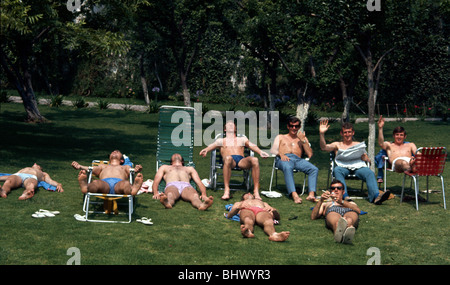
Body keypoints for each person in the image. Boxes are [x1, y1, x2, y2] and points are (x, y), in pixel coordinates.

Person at [319, 120, 390, 205]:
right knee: (337, 170)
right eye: (345, 132)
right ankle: (344, 196)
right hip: (343, 167)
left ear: (353, 133)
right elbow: (324, 147)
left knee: (369, 173)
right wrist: (321, 134)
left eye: (349, 132)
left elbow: (368, 160)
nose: (347, 134)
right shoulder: (337, 144)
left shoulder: (358, 144)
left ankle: (376, 197)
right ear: (342, 134)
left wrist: (366, 158)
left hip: (358, 167)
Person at [199, 120, 269, 200]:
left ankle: (256, 191)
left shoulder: (242, 139)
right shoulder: (221, 140)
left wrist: (260, 152)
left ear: (235, 129)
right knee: (228, 158)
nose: (231, 126)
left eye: (233, 125)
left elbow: (252, 145)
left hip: (241, 161)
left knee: (255, 160)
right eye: (229, 125)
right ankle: (227, 190)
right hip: (229, 161)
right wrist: (206, 150)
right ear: (225, 129)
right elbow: (212, 145)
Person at [270, 116, 319, 204]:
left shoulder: (302, 138)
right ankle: (294, 195)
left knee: (314, 169)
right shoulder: (280, 137)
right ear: (288, 126)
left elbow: (310, 154)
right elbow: (273, 150)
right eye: (291, 126)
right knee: (288, 167)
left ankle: (311, 194)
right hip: (284, 158)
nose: (294, 128)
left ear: (299, 127)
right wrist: (281, 154)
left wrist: (303, 140)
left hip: (298, 160)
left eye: (296, 126)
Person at [71, 150, 143, 195]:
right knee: (96, 183)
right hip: (104, 183)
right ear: (109, 158)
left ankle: (132, 190)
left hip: (119, 183)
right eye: (113, 152)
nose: (114, 151)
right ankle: (86, 187)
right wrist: (80, 166)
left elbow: (132, 171)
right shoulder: (103, 166)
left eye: (117, 152)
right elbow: (92, 169)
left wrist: (136, 170)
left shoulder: (125, 167)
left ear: (122, 160)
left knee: (126, 184)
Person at [311, 179, 360, 244]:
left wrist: (342, 202)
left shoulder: (349, 202)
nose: (336, 190)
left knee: (349, 220)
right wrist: (321, 200)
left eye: (339, 188)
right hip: (333, 209)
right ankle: (341, 237)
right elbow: (313, 217)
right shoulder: (327, 202)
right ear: (331, 191)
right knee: (337, 223)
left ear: (343, 191)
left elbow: (358, 210)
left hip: (349, 210)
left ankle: (345, 236)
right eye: (333, 188)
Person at [226, 192, 290, 242]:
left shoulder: (262, 202)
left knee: (268, 220)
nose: (249, 193)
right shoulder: (239, 203)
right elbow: (229, 215)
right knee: (248, 219)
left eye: (250, 193)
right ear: (243, 198)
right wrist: (238, 208)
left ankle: (274, 235)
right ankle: (248, 231)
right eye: (246, 194)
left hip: (261, 211)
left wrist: (273, 210)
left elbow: (277, 217)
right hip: (247, 210)